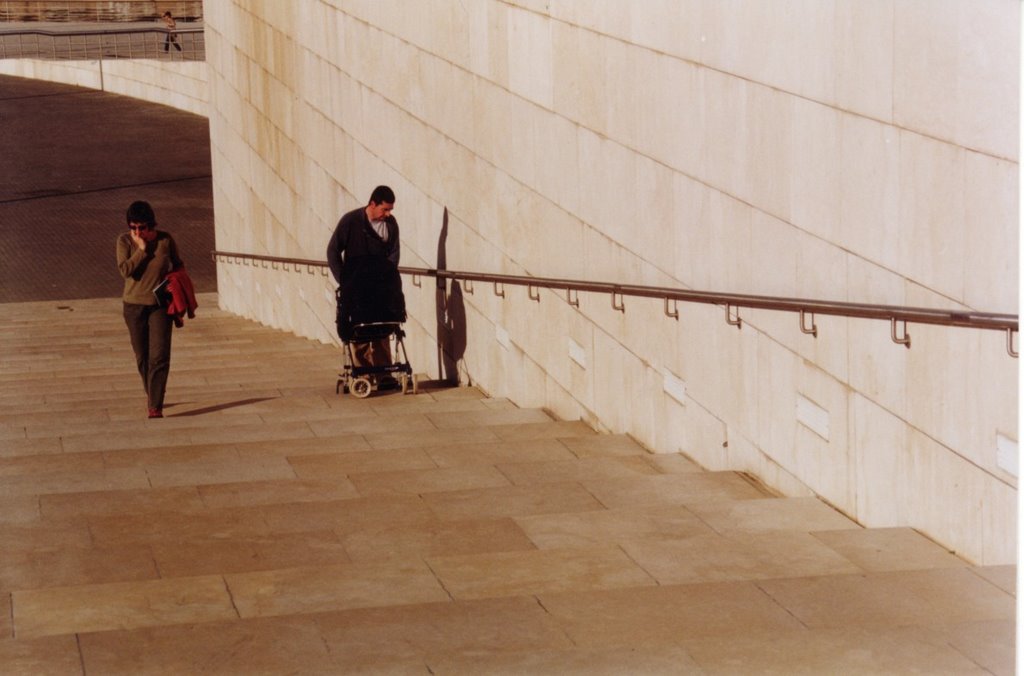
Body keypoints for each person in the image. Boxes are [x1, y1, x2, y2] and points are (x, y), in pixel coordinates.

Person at [116, 200, 183, 418]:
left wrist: (175, 284)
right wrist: (142, 250)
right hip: (134, 306)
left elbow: (178, 264)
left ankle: (155, 405)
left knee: (159, 355)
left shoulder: (165, 240)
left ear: (151, 225)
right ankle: (151, 391)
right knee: (142, 357)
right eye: (133, 227)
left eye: (142, 227)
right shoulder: (124, 241)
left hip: (160, 306)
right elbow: (125, 270)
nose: (137, 231)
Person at [327, 185, 401, 367]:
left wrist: (388, 278)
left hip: (380, 286)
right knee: (358, 328)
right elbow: (333, 250)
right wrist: (344, 280)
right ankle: (363, 372)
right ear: (373, 204)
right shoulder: (351, 221)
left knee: (381, 326)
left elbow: (393, 253)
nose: (388, 214)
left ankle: (384, 371)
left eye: (390, 210)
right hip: (356, 286)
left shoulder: (390, 225)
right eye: (385, 209)